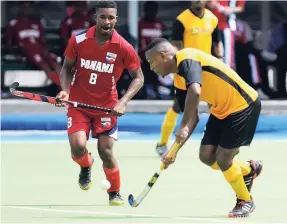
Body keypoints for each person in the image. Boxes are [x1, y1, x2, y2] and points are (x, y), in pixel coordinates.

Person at [145, 38, 263, 218]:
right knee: (207, 156)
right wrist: (174, 150)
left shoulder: (186, 56)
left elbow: (196, 91)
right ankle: (248, 169)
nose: (152, 68)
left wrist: (183, 126)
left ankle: (245, 201)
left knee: (224, 159)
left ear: (163, 56)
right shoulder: (178, 79)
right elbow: (192, 115)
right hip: (221, 110)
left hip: (243, 105)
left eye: (152, 62)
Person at [56, 1, 144, 206]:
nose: (107, 21)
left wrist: (123, 102)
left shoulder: (123, 46)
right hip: (78, 103)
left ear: (116, 20)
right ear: (95, 17)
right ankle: (86, 165)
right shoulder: (77, 40)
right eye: (103, 17)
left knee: (106, 150)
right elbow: (66, 68)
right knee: (78, 147)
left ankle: (114, 192)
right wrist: (65, 90)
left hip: (107, 106)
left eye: (111, 17)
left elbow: (138, 77)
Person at [156, 0, 223, 156]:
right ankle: (162, 143)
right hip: (187, 70)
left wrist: (220, 60)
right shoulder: (181, 20)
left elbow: (217, 43)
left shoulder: (212, 19)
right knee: (178, 107)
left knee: (215, 105)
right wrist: (179, 69)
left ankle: (219, 142)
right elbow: (176, 47)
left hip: (207, 70)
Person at [5, 1, 61, 87]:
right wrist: (15, 54)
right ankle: (61, 87)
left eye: (30, 7)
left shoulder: (37, 23)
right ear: (20, 8)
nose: (27, 9)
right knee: (45, 65)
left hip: (41, 49)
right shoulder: (14, 23)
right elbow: (8, 42)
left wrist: (46, 48)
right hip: (28, 50)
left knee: (55, 63)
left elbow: (42, 40)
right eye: (25, 7)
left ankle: (67, 87)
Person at [138, 1, 167, 99]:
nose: (151, 12)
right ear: (145, 10)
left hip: (158, 58)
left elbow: (164, 39)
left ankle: (157, 91)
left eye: (154, 10)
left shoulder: (159, 24)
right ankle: (144, 93)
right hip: (143, 58)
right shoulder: (140, 24)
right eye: (149, 10)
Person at [207, 0, 246, 69]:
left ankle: (226, 77)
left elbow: (241, 7)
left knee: (227, 59)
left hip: (226, 26)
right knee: (209, 54)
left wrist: (231, 9)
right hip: (208, 25)